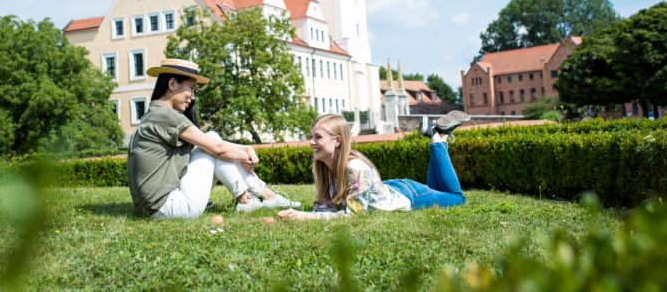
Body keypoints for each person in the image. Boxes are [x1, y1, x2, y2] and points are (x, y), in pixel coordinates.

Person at [127, 58, 299, 218]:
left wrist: (245, 149)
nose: (193, 97)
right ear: (172, 84)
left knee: (211, 142)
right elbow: (217, 148)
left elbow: (213, 147)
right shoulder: (165, 115)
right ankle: (255, 198)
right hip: (168, 207)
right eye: (192, 89)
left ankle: (257, 197)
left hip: (153, 207)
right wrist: (246, 154)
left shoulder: (155, 113)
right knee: (212, 141)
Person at [277, 111, 470, 220]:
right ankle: (439, 135)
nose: (311, 142)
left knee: (457, 199)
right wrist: (296, 217)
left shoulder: (356, 168)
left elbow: (352, 215)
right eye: (312, 136)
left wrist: (302, 217)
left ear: (337, 141)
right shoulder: (322, 167)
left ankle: (437, 138)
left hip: (410, 195)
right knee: (437, 190)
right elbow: (323, 210)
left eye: (318, 137)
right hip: (391, 189)